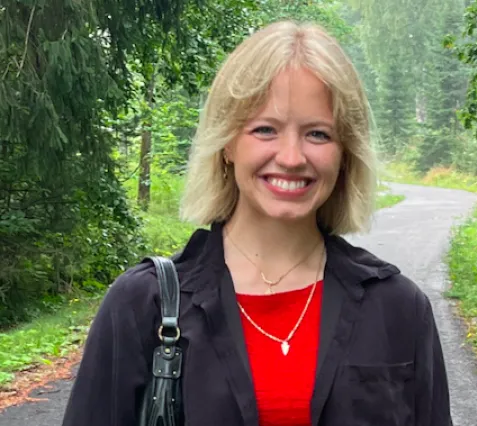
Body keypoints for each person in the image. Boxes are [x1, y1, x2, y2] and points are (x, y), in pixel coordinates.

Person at [62, 20, 453, 426]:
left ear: (345, 152)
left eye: (318, 134)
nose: (291, 156)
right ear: (227, 143)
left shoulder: (398, 309)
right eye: (265, 129)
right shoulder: (144, 306)